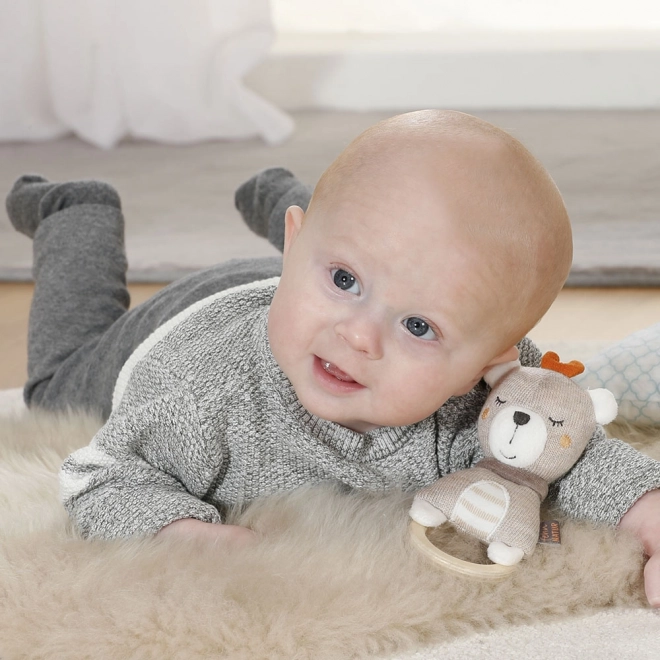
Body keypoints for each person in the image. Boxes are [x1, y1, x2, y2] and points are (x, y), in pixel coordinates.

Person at [6, 110, 660, 606]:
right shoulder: (196, 396)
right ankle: (80, 214)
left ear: (487, 365)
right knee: (54, 387)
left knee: (369, 246)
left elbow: (566, 447)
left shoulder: (489, 397)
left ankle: (310, 228)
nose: (359, 339)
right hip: (171, 326)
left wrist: (648, 511)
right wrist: (179, 532)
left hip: (298, 290)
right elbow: (100, 477)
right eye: (344, 280)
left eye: (417, 325)